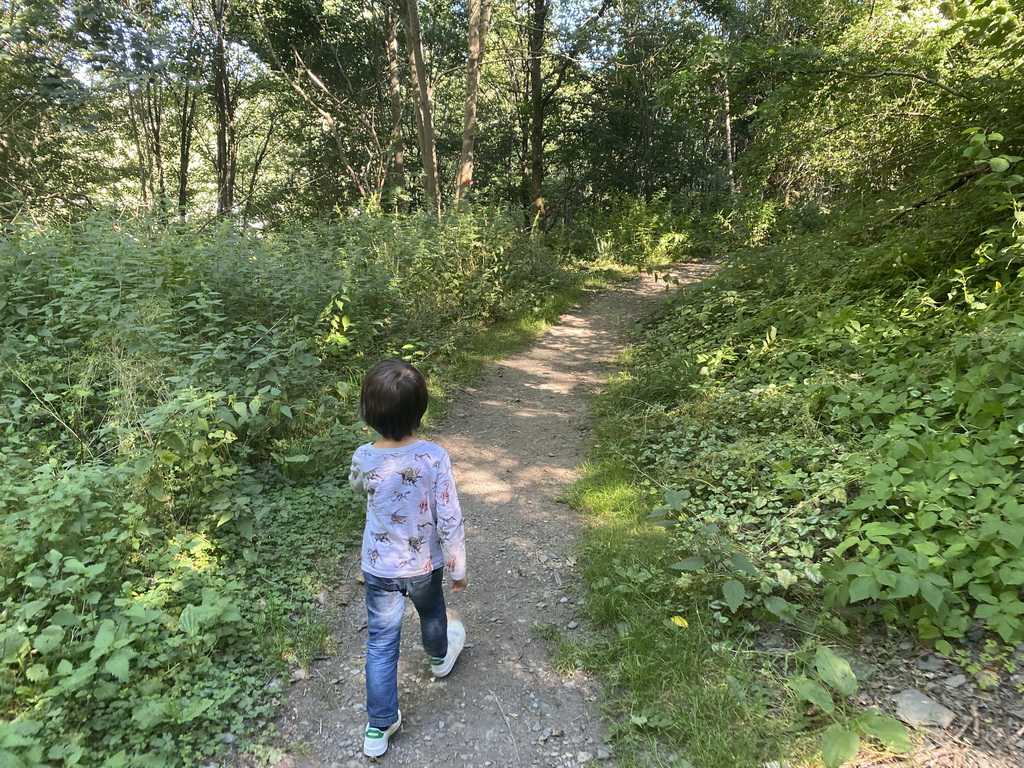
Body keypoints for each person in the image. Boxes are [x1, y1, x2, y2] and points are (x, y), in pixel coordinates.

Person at [349, 358, 468, 758]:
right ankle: (438, 658)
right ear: (421, 409)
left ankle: (379, 726)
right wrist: (458, 565)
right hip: (423, 565)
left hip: (378, 566)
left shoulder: (364, 455)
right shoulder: (434, 456)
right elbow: (448, 515)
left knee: (381, 643)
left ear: (368, 413)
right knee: (433, 611)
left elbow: (358, 485)